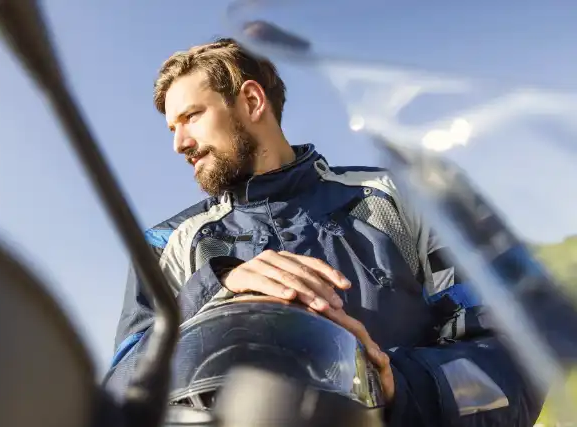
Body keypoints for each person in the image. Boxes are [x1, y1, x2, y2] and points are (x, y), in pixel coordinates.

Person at [103, 37, 543, 426]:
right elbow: (120, 397)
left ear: (252, 102)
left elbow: (520, 356)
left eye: (191, 117)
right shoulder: (165, 246)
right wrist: (212, 284)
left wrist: (395, 387)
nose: (179, 143)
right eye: (172, 128)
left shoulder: (401, 197)